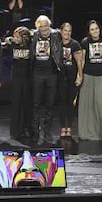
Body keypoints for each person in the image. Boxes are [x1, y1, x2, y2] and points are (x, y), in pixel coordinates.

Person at [30, 15, 63, 144]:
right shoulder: (33, 36)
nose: (44, 29)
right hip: (37, 73)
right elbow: (19, 35)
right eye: (41, 26)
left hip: (51, 74)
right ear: (38, 27)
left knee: (50, 104)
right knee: (36, 104)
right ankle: (36, 132)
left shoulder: (56, 35)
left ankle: (47, 132)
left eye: (46, 26)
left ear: (49, 25)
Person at [78, 20, 102, 141]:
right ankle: (85, 133)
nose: (95, 31)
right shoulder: (85, 42)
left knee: (99, 103)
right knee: (86, 105)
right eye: (92, 29)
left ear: (100, 29)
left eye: (96, 28)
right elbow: (81, 61)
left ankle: (101, 133)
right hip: (88, 76)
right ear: (89, 32)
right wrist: (80, 75)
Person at [2, 26, 33, 141]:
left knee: (27, 104)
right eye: (14, 36)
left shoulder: (31, 45)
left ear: (23, 37)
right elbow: (6, 40)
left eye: (17, 37)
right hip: (16, 78)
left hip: (28, 78)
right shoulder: (13, 45)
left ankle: (27, 129)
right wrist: (9, 39)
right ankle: (16, 131)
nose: (15, 38)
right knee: (16, 105)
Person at [57, 22, 83, 138]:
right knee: (61, 102)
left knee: (70, 103)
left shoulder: (75, 44)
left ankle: (69, 127)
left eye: (69, 31)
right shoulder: (56, 43)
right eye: (65, 31)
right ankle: (63, 126)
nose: (67, 33)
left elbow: (79, 62)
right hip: (60, 77)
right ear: (61, 31)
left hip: (72, 77)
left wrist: (80, 76)